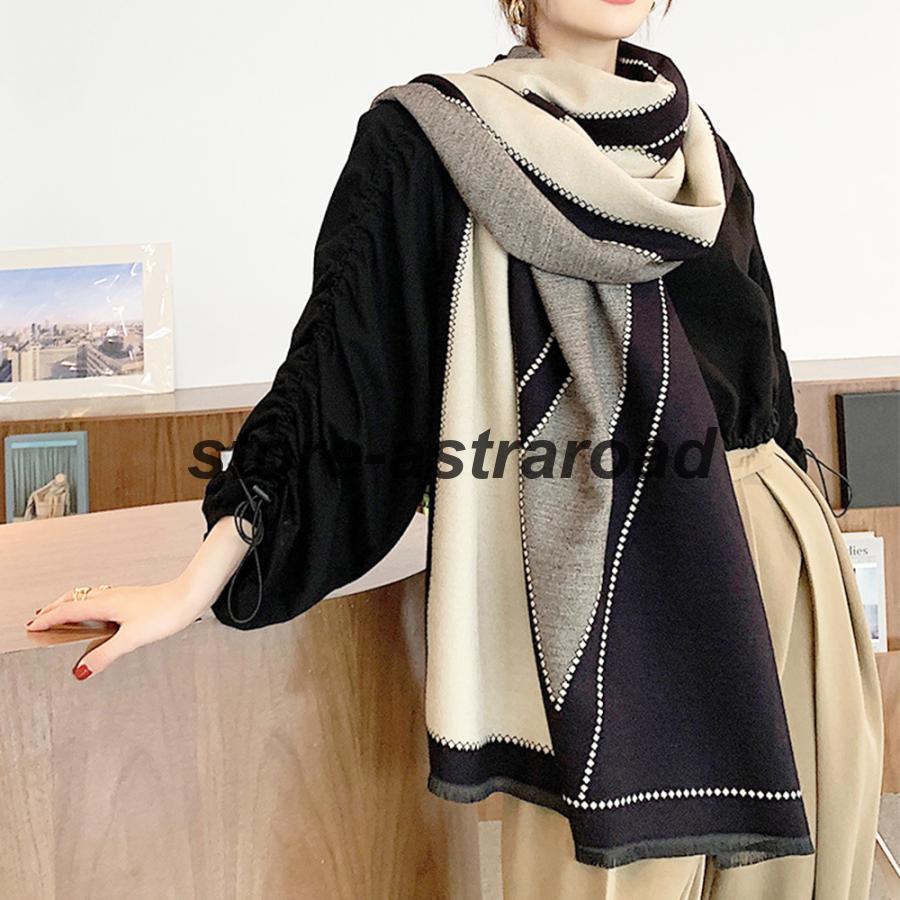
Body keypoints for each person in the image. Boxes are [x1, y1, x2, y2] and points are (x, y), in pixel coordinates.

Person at [26, 1, 883, 896]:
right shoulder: (433, 141)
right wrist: (195, 582)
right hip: (600, 584)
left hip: (774, 558)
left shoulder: (697, 145)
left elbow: (762, 363)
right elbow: (340, 381)